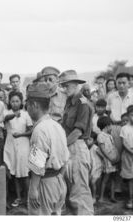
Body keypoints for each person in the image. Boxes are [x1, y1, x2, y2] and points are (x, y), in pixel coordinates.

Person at [25, 82, 69, 215]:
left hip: (44, 183)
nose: (26, 108)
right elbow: (66, 157)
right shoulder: (56, 125)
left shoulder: (40, 130)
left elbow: (37, 165)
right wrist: (58, 178)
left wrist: (33, 189)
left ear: (34, 105)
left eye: (27, 104)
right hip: (59, 181)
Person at [60, 70, 94, 215]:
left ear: (75, 84)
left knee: (79, 194)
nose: (64, 89)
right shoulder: (69, 102)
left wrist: (60, 146)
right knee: (71, 194)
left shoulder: (82, 103)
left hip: (77, 147)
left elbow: (77, 132)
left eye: (66, 86)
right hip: (70, 147)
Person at [3, 91, 33, 207]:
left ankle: (29, 198)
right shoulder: (8, 113)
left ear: (21, 102)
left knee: (24, 172)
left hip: (23, 145)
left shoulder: (26, 114)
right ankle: (18, 197)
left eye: (17, 101)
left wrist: (21, 134)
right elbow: (5, 118)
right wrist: (15, 115)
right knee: (14, 172)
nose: (15, 103)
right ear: (9, 102)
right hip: (10, 145)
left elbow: (31, 130)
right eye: (12, 101)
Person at [96, 116, 119, 203]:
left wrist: (115, 157)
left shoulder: (109, 135)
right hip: (108, 161)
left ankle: (112, 196)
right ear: (107, 125)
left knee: (113, 178)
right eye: (111, 125)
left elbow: (113, 147)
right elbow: (102, 149)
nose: (112, 127)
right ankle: (101, 197)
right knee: (105, 179)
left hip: (113, 159)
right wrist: (110, 158)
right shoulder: (101, 136)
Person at [119, 105, 133, 209]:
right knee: (130, 178)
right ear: (128, 116)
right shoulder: (124, 128)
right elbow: (124, 143)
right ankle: (130, 199)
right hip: (129, 155)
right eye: (132, 115)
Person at [85, 137, 103, 204]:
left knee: (93, 182)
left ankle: (94, 197)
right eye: (87, 140)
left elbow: (102, 156)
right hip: (92, 168)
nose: (88, 141)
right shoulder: (89, 148)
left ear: (94, 140)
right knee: (91, 182)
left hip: (97, 167)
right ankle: (93, 195)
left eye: (90, 139)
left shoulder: (95, 148)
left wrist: (102, 164)